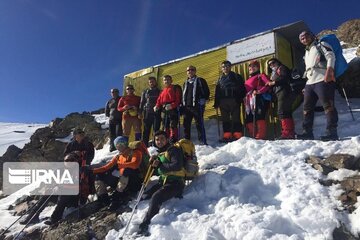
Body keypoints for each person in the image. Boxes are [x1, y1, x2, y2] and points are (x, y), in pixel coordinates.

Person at [138, 130, 185, 235]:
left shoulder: (173, 150)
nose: (159, 141)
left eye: (162, 139)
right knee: (146, 195)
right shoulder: (160, 154)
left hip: (176, 183)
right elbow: (159, 172)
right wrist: (152, 164)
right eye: (157, 139)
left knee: (156, 197)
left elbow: (177, 166)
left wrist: (159, 165)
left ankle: (146, 223)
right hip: (164, 182)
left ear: (167, 139)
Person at [297, 30, 338, 141]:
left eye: (305, 36)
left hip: (323, 78)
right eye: (301, 38)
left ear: (312, 36)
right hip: (310, 82)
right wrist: (306, 85)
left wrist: (330, 70)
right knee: (307, 107)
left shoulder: (321, 44)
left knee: (328, 104)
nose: (304, 39)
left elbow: (330, 56)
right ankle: (307, 132)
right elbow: (308, 69)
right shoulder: (306, 52)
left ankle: (332, 131)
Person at [91, 136, 142, 210]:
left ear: (126, 144)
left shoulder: (135, 152)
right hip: (123, 181)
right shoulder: (118, 157)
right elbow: (106, 167)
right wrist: (93, 171)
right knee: (99, 175)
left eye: (122, 143)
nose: (120, 146)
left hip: (135, 181)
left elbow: (135, 164)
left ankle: (117, 197)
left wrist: (121, 165)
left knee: (126, 171)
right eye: (117, 145)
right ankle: (103, 198)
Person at [214, 60, 246, 142]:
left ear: (230, 67)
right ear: (222, 68)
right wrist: (216, 102)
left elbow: (242, 88)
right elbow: (217, 91)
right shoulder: (220, 79)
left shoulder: (236, 76)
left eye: (227, 66)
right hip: (223, 101)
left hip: (234, 100)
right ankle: (227, 135)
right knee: (225, 119)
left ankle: (237, 135)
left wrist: (239, 98)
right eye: (223, 67)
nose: (225, 68)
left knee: (236, 117)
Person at [266, 58, 296, 139]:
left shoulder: (282, 68)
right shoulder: (273, 72)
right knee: (284, 112)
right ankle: (289, 132)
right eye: (269, 64)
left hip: (284, 91)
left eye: (273, 63)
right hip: (279, 93)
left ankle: (287, 132)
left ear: (277, 62)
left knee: (282, 111)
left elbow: (285, 77)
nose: (271, 65)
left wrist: (274, 82)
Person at [182, 65, 210, 144]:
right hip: (187, 107)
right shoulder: (185, 83)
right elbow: (183, 95)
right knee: (186, 125)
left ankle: (202, 141)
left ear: (195, 71)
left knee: (199, 124)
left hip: (197, 106)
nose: (190, 71)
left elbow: (206, 91)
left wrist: (204, 99)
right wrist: (182, 105)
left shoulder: (200, 80)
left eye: (192, 70)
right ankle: (186, 142)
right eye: (188, 70)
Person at [244, 60, 271, 139]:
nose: (251, 68)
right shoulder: (247, 79)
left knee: (259, 116)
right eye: (250, 67)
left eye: (254, 66)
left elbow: (268, 84)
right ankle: (253, 135)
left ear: (258, 67)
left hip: (259, 98)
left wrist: (259, 91)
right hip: (249, 100)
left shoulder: (261, 75)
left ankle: (260, 136)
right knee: (249, 118)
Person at [154, 75, 182, 143]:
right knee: (165, 125)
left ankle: (173, 139)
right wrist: (157, 106)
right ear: (163, 82)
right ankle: (166, 138)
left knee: (173, 124)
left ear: (171, 80)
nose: (166, 81)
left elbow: (178, 100)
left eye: (168, 79)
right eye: (165, 80)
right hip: (164, 109)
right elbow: (159, 100)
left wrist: (172, 105)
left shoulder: (175, 88)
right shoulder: (162, 91)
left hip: (173, 109)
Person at [139, 77, 161, 146]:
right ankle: (144, 145)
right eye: (150, 82)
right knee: (146, 130)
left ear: (155, 82)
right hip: (147, 113)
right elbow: (142, 102)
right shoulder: (145, 92)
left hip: (157, 112)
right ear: (149, 83)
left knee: (156, 129)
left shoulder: (159, 91)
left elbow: (161, 101)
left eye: (153, 81)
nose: (151, 83)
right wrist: (140, 112)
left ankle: (155, 145)